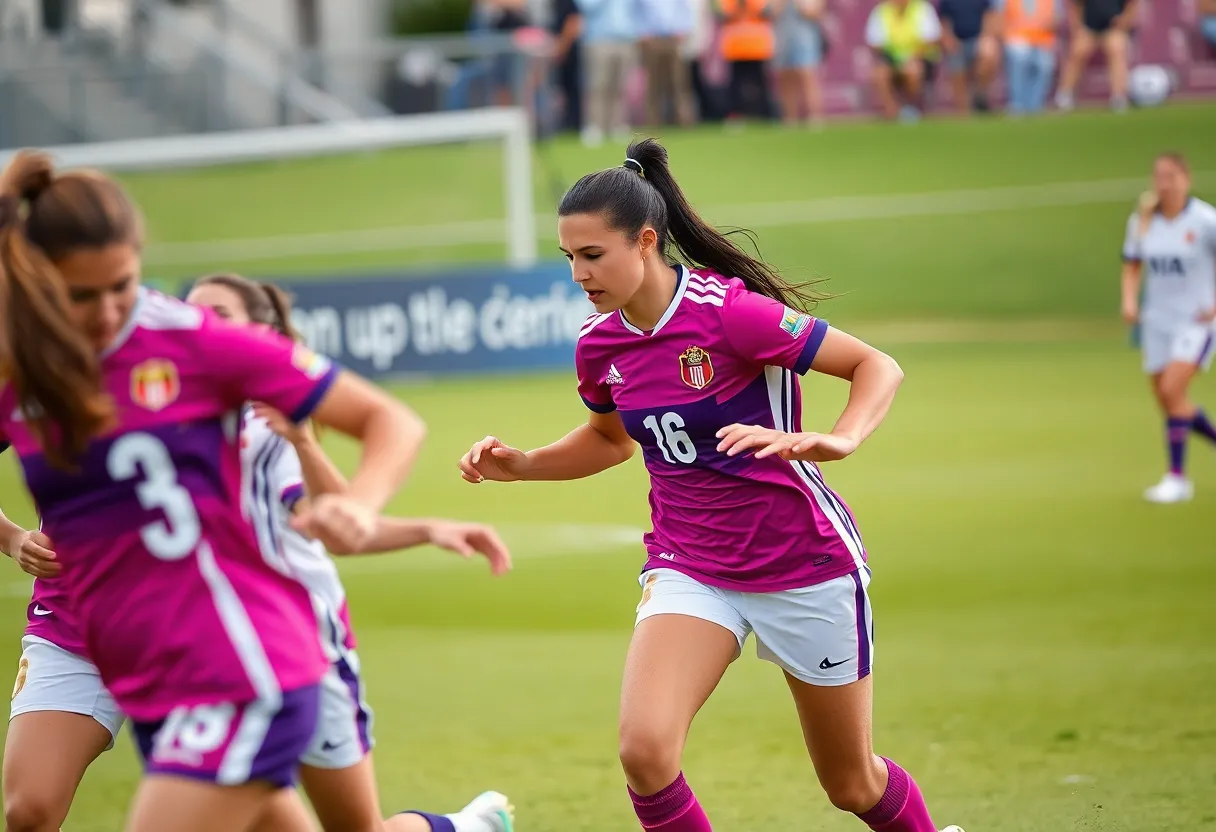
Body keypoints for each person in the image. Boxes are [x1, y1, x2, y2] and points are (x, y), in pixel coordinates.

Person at [458, 138, 965, 832]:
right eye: (568, 258)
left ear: (644, 241)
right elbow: (610, 440)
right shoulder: (600, 344)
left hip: (802, 563)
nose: (578, 273)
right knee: (644, 752)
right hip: (691, 566)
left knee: (852, 784)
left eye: (592, 255)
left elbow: (877, 367)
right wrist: (521, 464)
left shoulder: (732, 314)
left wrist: (839, 439)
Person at [2, 270, 516, 832]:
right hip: (95, 630)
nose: (196, 325)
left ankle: (466, 827)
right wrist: (13, 538)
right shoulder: (116, 384)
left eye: (218, 316)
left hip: (268, 644)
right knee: (29, 811)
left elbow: (334, 523)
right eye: (191, 310)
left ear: (258, 336)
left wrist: (416, 524)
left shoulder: (266, 430)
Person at [0, 148, 421, 832]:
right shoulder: (21, 362)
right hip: (147, 675)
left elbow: (388, 419)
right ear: (39, 281)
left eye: (124, 285)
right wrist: (15, 537)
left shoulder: (192, 340)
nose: (110, 312)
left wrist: (356, 503)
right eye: (83, 295)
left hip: (238, 668)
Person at [1120, 153, 1216, 504]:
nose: (1164, 183)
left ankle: (1177, 479)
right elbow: (1132, 264)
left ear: (1186, 178)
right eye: (1159, 176)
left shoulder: (1205, 220)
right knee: (1166, 397)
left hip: (1196, 322)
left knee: (1174, 389)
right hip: (1157, 321)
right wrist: (1129, 300)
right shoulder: (1143, 221)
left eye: (1171, 176)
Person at [1053, 0, 1139, 112]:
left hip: (1113, 28)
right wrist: (1077, 26)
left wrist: (1125, 19)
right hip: (1088, 27)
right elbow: (1076, 5)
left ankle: (1119, 98)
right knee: (1077, 52)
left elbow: (1132, 3)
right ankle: (1064, 96)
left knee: (1117, 50)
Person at [865, 0, 943, 121]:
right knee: (880, 73)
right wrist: (896, 60)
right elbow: (875, 43)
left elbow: (930, 40)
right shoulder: (882, 11)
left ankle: (909, 107)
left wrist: (910, 58)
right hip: (892, 60)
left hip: (920, 59)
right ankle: (892, 111)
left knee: (913, 70)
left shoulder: (922, 8)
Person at [989, 0, 1064, 115]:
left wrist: (1045, 24)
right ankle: (1017, 105)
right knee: (1019, 57)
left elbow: (1057, 17)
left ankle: (1035, 106)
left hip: (1043, 41)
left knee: (1045, 64)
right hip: (1015, 39)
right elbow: (997, 17)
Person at [773, 0, 827, 126]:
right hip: (783, 39)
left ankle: (815, 118)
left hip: (805, 39)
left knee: (807, 77)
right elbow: (770, 13)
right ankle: (790, 119)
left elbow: (816, 13)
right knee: (786, 79)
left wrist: (802, 6)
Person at [937, 0, 998, 113]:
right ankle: (964, 110)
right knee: (957, 71)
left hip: (978, 40)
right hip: (956, 43)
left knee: (989, 52)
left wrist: (985, 36)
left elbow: (989, 16)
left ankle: (979, 95)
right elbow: (944, 21)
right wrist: (950, 41)